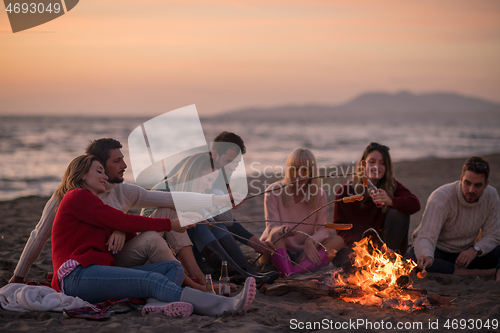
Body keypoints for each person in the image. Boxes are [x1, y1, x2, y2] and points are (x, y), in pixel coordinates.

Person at [9, 138, 237, 285]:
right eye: (117, 161)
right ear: (97, 165)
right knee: (161, 226)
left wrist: (217, 199)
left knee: (168, 210)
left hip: (122, 255)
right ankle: (191, 283)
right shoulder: (68, 196)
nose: (125, 166)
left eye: (124, 160)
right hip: (96, 266)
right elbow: (39, 235)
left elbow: (171, 198)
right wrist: (18, 276)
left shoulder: (124, 192)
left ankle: (196, 278)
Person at [52, 154, 256, 317]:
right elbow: (121, 220)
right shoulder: (76, 196)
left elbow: (124, 223)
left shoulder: (94, 202)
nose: (105, 176)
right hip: (76, 276)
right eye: (99, 172)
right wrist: (170, 225)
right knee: (150, 280)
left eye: (105, 172)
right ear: (81, 175)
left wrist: (218, 200)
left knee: (172, 267)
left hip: (96, 271)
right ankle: (224, 305)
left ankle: (155, 304)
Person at [143, 153, 272, 284]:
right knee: (198, 225)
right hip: (167, 254)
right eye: (209, 180)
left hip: (194, 255)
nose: (210, 186)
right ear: (194, 175)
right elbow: (147, 227)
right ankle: (239, 274)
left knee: (217, 224)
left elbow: (226, 221)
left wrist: (221, 205)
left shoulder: (198, 189)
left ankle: (247, 272)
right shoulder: (162, 189)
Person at [408, 156, 500, 280]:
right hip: (439, 251)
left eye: (477, 185)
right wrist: (426, 254)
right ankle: (480, 273)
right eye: (467, 183)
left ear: (486, 184)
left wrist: (475, 250)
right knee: (414, 257)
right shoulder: (441, 197)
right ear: (461, 179)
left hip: (468, 254)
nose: (471, 190)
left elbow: (493, 234)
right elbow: (426, 235)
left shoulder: (491, 195)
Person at [259, 148, 344, 277]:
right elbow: (272, 228)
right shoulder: (274, 191)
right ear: (288, 170)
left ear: (312, 172)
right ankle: (288, 273)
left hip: (303, 252)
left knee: (337, 240)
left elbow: (324, 229)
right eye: (294, 170)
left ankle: (295, 272)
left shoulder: (319, 194)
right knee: (277, 235)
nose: (300, 174)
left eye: (305, 170)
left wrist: (310, 241)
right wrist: (283, 230)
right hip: (274, 250)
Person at [333, 142, 420, 255]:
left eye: (382, 163)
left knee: (399, 211)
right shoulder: (345, 192)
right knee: (341, 257)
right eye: (372, 162)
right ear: (362, 165)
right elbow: (340, 227)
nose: (376, 167)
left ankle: (389, 260)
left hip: (386, 249)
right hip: (358, 249)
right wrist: (358, 245)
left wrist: (390, 201)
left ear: (387, 167)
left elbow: (415, 204)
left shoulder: (392, 186)